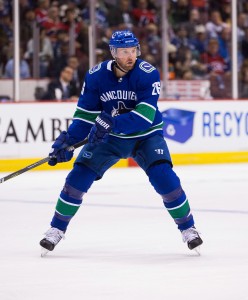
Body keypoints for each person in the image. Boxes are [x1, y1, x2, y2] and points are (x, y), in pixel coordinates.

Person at [39, 30, 203, 256]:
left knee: (164, 178)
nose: (130, 56)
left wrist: (111, 123)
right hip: (111, 139)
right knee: (77, 179)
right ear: (114, 53)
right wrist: (68, 141)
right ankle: (56, 229)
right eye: (124, 51)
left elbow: (145, 115)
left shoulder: (148, 73)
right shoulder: (96, 76)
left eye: (133, 50)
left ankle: (188, 228)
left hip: (146, 136)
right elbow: (86, 115)